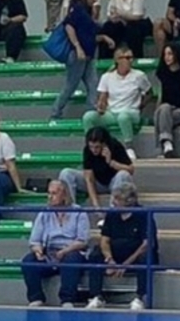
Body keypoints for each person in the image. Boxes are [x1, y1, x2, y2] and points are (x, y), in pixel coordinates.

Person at [85, 181, 157, 310]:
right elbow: (104, 240)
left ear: (130, 200)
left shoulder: (144, 214)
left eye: (118, 199)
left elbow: (146, 244)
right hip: (116, 252)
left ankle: (141, 297)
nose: (114, 202)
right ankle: (96, 296)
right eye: (114, 198)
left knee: (146, 256)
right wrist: (109, 260)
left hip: (136, 253)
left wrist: (126, 264)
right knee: (96, 253)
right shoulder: (112, 214)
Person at [21, 179, 89, 308]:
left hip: (71, 251)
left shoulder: (79, 212)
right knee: (28, 261)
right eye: (49, 193)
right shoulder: (44, 213)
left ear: (64, 194)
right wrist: (38, 250)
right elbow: (34, 240)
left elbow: (82, 241)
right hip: (49, 252)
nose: (50, 197)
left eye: (54, 193)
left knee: (72, 259)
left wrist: (64, 251)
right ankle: (36, 298)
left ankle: (67, 299)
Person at [60, 127, 134, 210]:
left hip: (115, 182)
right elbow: (89, 179)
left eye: (97, 147)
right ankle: (70, 209)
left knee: (123, 174)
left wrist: (111, 162)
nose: (94, 150)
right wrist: (96, 206)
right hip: (97, 182)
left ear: (104, 144)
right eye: (91, 147)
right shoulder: (88, 150)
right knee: (66, 173)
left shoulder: (115, 146)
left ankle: (114, 210)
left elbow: (131, 170)